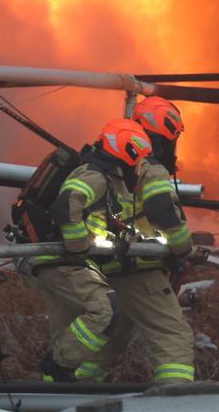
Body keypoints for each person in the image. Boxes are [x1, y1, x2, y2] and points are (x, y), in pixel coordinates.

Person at [31, 119, 150, 383]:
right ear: (127, 154)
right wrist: (79, 244)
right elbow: (67, 204)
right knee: (106, 309)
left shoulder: (98, 175)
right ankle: (58, 366)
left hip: (54, 262)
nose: (139, 166)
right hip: (65, 261)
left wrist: (113, 227)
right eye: (139, 159)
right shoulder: (95, 175)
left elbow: (85, 211)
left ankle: (53, 395)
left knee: (66, 331)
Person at [90, 98, 199, 385]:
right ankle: (176, 400)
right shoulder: (149, 167)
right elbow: (162, 209)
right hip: (139, 267)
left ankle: (70, 390)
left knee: (112, 336)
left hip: (111, 264)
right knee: (172, 335)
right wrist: (182, 246)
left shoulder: (112, 164)